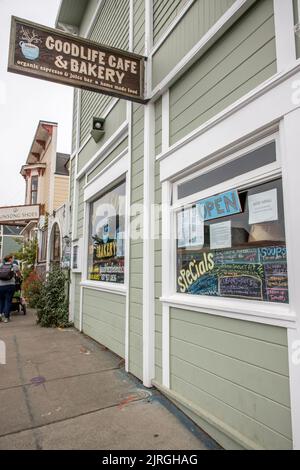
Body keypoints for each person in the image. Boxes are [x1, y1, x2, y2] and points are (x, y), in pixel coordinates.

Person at [0, 255, 20, 323]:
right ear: (10, 259)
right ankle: (6, 317)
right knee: (8, 301)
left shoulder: (1, 265)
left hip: (1, 286)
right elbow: (19, 274)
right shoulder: (14, 266)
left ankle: (0, 315)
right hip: (10, 286)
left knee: (1, 300)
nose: (13, 259)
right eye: (12, 258)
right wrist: (20, 276)